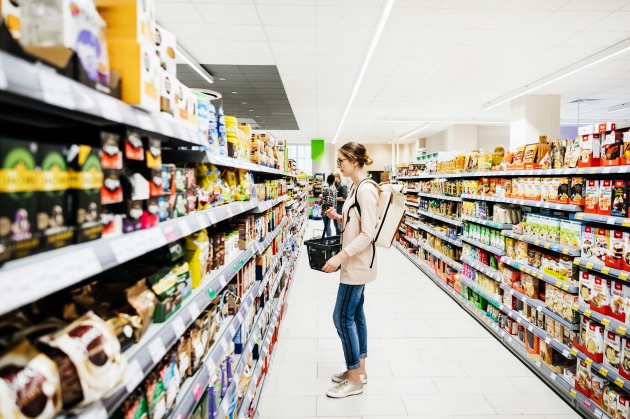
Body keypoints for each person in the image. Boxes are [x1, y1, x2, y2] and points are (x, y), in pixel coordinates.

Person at [322, 142, 378, 399]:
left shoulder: (366, 190)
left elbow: (369, 232)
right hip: (356, 262)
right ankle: (360, 370)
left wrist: (340, 256)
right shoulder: (357, 187)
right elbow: (358, 222)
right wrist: (339, 218)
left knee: (341, 317)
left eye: (341, 160)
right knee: (356, 315)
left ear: (354, 161)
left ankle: (354, 378)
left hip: (356, 264)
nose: (338, 165)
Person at [320, 174, 337, 238]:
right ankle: (329, 238)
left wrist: (321, 201)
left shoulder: (329, 189)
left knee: (327, 226)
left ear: (328, 180)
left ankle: (329, 239)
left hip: (326, 211)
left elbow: (328, 202)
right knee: (328, 226)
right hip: (332, 209)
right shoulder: (334, 188)